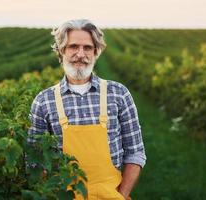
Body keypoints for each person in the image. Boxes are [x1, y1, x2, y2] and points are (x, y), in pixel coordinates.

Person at [28, 19, 146, 200]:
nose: (80, 54)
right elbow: (34, 160)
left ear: (96, 51)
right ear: (61, 51)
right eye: (73, 46)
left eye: (88, 48)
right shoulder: (44, 101)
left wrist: (121, 195)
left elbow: (135, 153)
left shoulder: (119, 94)